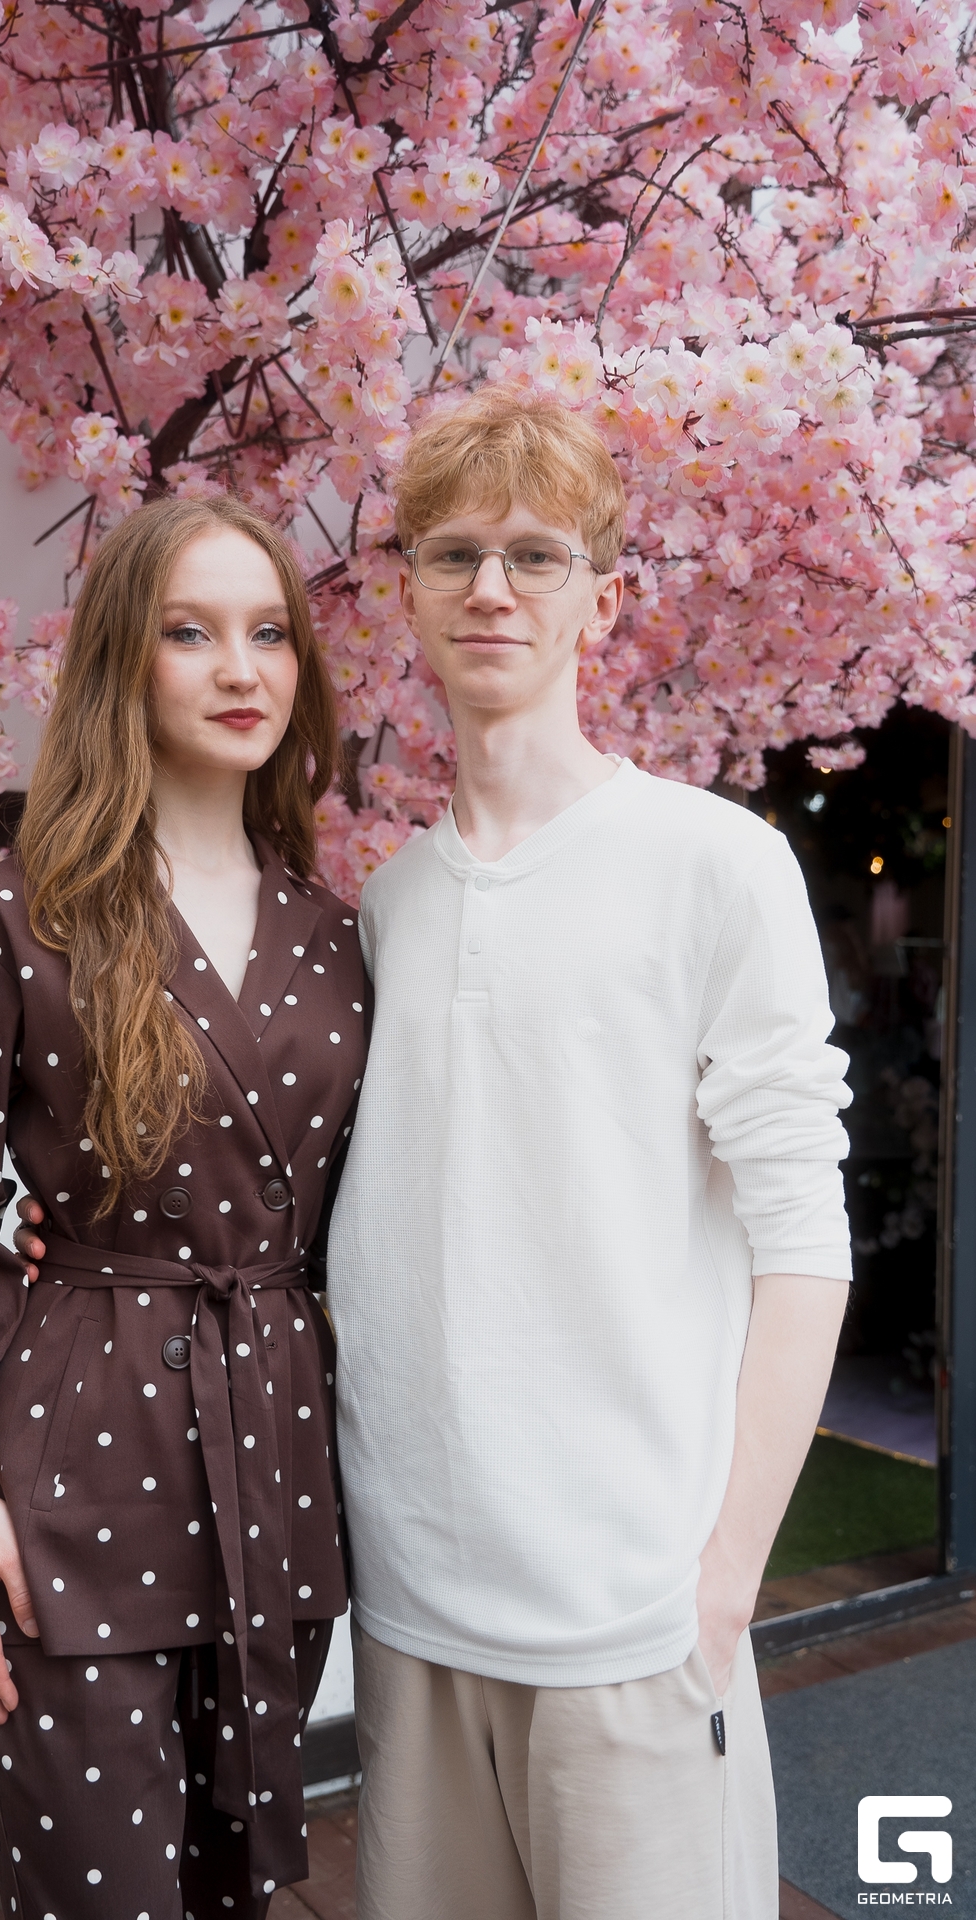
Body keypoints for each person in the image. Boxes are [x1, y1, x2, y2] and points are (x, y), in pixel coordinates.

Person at [326, 388, 853, 1920]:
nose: (491, 588)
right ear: (409, 595)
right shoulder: (391, 903)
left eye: (536, 556)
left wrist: (724, 1578)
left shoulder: (716, 865)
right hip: (411, 1608)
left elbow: (801, 1239)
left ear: (600, 600)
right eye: (454, 554)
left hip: (631, 1620)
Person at [0, 495, 369, 1920]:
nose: (241, 670)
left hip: (279, 1452)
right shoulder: (24, 915)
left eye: (269, 634)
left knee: (232, 1886)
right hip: (80, 1458)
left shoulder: (337, 936)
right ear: (125, 660)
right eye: (191, 634)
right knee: (100, 1891)